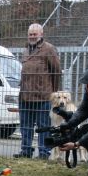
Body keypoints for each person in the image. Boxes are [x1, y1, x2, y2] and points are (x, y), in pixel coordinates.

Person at [15, 23, 61, 159]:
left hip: (43, 96)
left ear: (41, 34)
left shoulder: (49, 49)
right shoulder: (26, 50)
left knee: (43, 126)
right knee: (25, 126)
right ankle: (26, 151)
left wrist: (54, 93)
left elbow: (57, 71)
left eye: (35, 34)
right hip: (25, 95)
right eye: (30, 34)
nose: (32, 36)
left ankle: (44, 153)